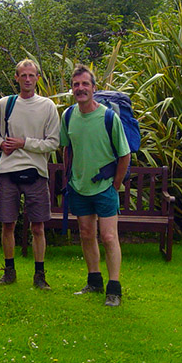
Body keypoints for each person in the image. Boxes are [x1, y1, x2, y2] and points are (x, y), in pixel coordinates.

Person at [0, 59, 60, 289]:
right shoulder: (4, 104)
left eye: (32, 75)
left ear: (38, 78)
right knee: (7, 224)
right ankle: (9, 271)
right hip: (8, 171)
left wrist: (24, 143)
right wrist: (0, 144)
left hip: (36, 173)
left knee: (38, 226)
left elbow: (53, 142)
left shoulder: (48, 106)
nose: (27, 79)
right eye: (23, 75)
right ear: (16, 78)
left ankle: (39, 275)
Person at [60, 64, 130, 307]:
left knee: (109, 236)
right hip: (78, 188)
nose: (80, 88)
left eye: (85, 84)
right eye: (76, 84)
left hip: (105, 188)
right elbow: (66, 147)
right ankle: (94, 281)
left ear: (94, 88)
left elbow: (124, 155)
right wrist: (69, 178)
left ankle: (114, 289)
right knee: (87, 234)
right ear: (72, 89)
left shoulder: (109, 117)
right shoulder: (68, 116)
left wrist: (116, 185)